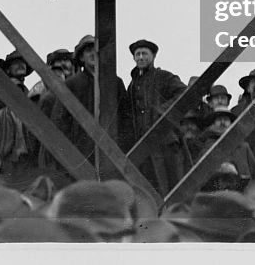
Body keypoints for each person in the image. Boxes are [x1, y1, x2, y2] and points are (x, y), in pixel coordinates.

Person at [50, 35, 132, 167]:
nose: (94, 54)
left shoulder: (115, 82)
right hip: (81, 154)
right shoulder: (72, 84)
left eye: (97, 50)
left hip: (112, 152)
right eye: (88, 51)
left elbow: (126, 118)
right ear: (81, 57)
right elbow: (60, 120)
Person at [125, 39, 187, 193]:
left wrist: (163, 111)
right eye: (137, 54)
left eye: (144, 54)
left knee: (172, 186)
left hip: (165, 142)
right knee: (149, 189)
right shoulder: (132, 86)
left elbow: (184, 93)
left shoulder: (164, 77)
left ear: (153, 57)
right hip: (143, 146)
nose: (140, 57)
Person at [0, 60, 40, 190]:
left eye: (20, 91)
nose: (16, 95)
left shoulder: (32, 118)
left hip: (27, 167)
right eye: (12, 91)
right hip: (8, 168)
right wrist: (0, 164)